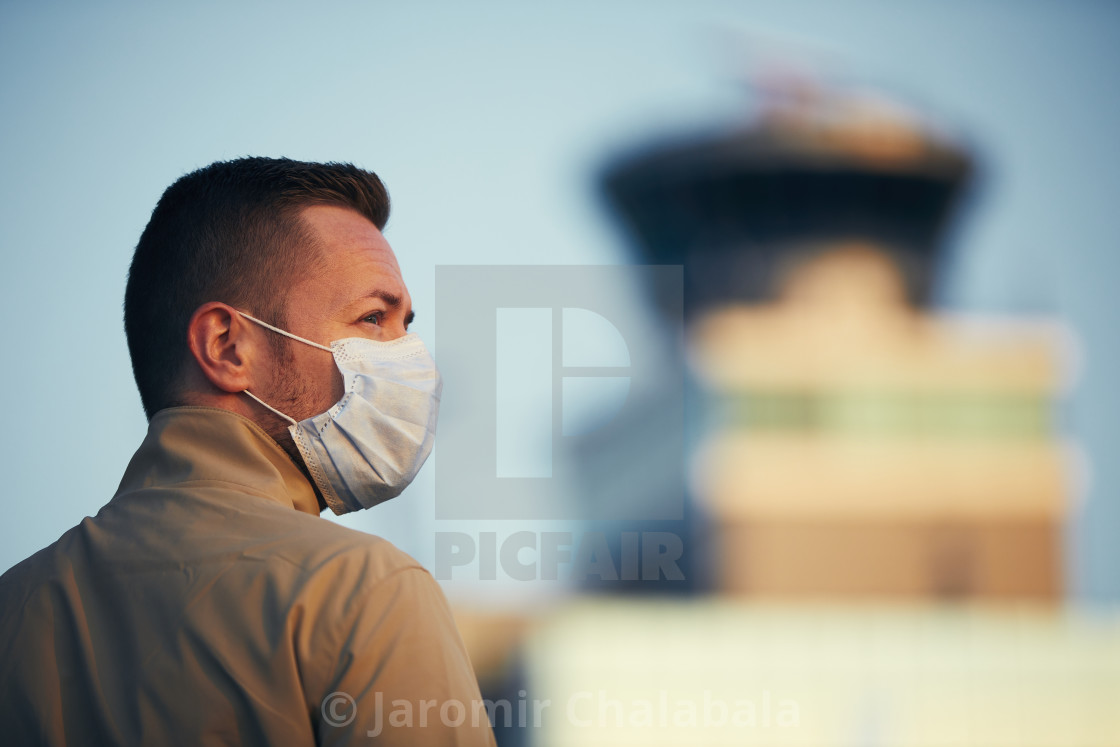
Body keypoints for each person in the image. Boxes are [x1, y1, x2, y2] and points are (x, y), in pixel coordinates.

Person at [0, 157, 497, 746]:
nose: (414, 360)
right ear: (227, 346)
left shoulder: (16, 607)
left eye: (405, 326)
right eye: (373, 319)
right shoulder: (366, 591)